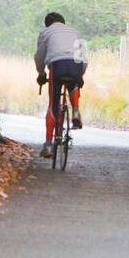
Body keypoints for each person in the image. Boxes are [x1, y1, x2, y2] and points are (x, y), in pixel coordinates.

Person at [34, 12, 87, 158]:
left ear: (47, 24)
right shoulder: (76, 32)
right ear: (63, 22)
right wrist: (81, 75)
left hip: (57, 66)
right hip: (76, 66)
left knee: (53, 105)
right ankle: (76, 111)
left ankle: (49, 145)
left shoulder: (46, 32)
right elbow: (84, 58)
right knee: (73, 84)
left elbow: (39, 56)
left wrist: (41, 73)